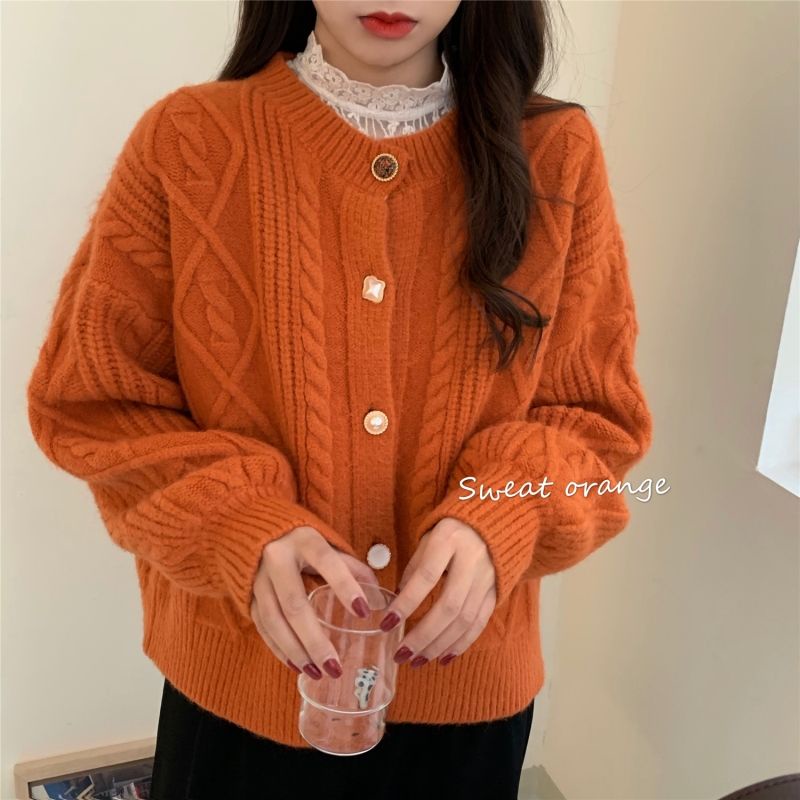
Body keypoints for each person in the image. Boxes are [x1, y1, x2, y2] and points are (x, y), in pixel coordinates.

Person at [26, 1, 654, 798]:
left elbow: (596, 420)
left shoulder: (555, 153)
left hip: (466, 698)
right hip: (241, 694)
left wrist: (503, 515)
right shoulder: (188, 140)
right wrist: (237, 523)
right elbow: (93, 402)